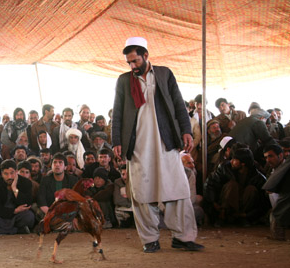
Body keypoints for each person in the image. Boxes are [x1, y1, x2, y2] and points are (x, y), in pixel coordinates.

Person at [111, 36, 203, 253]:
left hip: (166, 143)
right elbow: (118, 113)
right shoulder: (124, 81)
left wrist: (186, 131)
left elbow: (179, 105)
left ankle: (183, 237)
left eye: (135, 61)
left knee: (178, 189)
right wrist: (117, 141)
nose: (132, 66)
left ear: (146, 56)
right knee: (142, 194)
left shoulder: (164, 73)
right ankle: (150, 239)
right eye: (129, 63)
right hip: (138, 146)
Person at [204, 148, 268, 227]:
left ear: (243, 163)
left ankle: (241, 218)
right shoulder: (224, 168)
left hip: (243, 209)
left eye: (235, 159)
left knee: (251, 189)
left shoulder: (257, 177)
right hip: (223, 204)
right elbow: (210, 184)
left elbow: (263, 202)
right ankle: (222, 216)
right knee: (232, 185)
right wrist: (213, 202)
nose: (231, 161)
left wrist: (248, 215)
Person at [0, 160, 35, 235]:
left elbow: (27, 203)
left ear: (16, 171)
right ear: (1, 173)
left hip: (18, 216)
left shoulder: (25, 182)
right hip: (1, 216)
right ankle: (16, 230)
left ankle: (3, 230)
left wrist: (14, 189)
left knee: (29, 217)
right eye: (6, 174)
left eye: (12, 173)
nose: (9, 177)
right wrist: (14, 210)